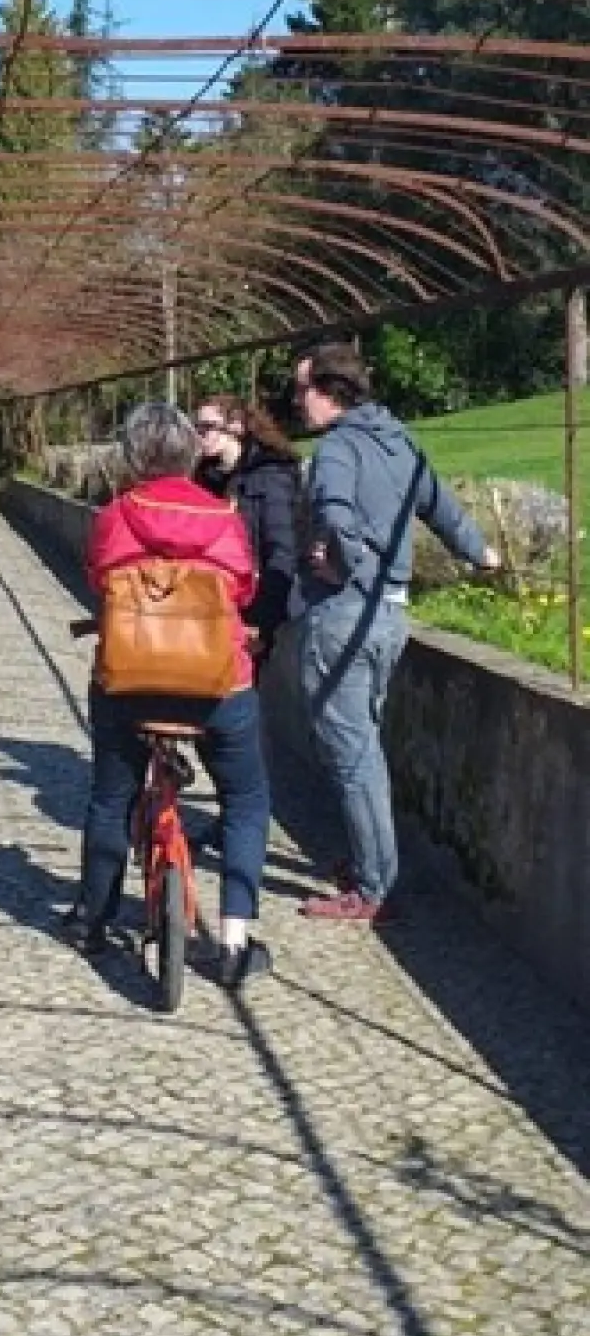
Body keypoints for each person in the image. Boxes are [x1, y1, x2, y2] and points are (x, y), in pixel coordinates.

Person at [286, 342, 500, 924]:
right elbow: (441, 507)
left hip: (346, 616)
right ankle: (368, 863)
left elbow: (332, 507)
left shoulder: (339, 446)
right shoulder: (398, 440)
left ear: (330, 392)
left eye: (302, 389)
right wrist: (481, 552)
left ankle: (373, 886)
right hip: (391, 618)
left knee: (352, 753)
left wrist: (348, 562)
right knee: (363, 745)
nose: (297, 402)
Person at [64, 401, 273, 991]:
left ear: (132, 455)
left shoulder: (115, 516)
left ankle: (94, 919)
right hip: (216, 684)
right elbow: (245, 586)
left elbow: (98, 578)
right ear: (189, 453)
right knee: (247, 798)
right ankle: (233, 937)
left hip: (130, 683)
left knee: (111, 797)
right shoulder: (224, 518)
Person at [194, 395, 300, 665]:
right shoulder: (202, 478)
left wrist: (262, 622)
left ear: (237, 426)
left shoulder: (270, 476)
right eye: (197, 427)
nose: (200, 435)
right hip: (208, 604)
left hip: (250, 609)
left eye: (208, 427)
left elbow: (282, 551)